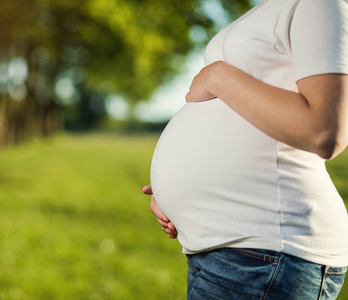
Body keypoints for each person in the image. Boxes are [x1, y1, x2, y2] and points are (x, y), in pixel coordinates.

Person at [143, 0, 348, 299]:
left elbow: (325, 130)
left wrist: (218, 76)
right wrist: (178, 194)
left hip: (266, 254)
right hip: (234, 252)